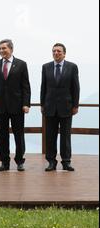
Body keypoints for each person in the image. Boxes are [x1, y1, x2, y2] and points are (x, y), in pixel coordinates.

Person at [0, 39, 31, 172]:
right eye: (0, 48)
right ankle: (4, 162)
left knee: (18, 135)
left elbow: (26, 87)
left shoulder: (21, 64)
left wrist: (26, 103)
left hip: (17, 106)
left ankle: (19, 161)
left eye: (4, 48)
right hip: (0, 106)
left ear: (11, 49)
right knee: (2, 135)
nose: (1, 51)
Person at [40, 43, 80, 172]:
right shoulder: (46, 67)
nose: (56, 53)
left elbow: (75, 87)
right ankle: (51, 162)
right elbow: (43, 87)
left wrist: (75, 105)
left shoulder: (72, 67)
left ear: (64, 53)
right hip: (50, 106)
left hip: (66, 107)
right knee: (50, 136)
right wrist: (42, 104)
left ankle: (66, 162)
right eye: (54, 51)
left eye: (58, 51)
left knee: (65, 137)